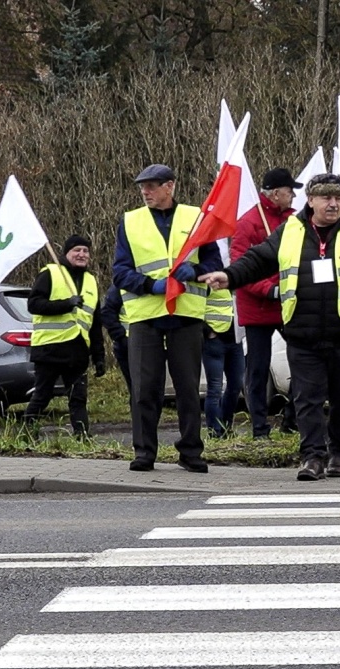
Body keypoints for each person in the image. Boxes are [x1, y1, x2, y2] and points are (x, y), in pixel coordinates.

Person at [200, 173, 340, 481]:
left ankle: (339, 452)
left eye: (338, 198)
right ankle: (312, 457)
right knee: (307, 399)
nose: (333, 204)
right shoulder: (290, 230)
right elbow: (258, 259)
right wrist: (230, 276)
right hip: (302, 333)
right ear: (311, 200)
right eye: (326, 198)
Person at [111, 163, 222, 473]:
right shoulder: (130, 222)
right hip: (146, 315)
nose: (145, 191)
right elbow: (120, 272)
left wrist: (196, 272)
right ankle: (144, 451)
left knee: (188, 389)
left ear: (170, 186)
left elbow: (214, 262)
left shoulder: (196, 218)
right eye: (142, 187)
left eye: (152, 185)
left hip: (185, 313)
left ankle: (191, 451)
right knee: (145, 389)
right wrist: (150, 286)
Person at [231, 167, 302, 438]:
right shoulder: (247, 222)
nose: (294, 195)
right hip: (258, 308)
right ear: (275, 193)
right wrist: (269, 289)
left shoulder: (295, 220)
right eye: (289, 190)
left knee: (304, 362)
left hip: (288, 304)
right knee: (258, 370)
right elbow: (240, 267)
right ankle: (260, 428)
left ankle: (292, 419)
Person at [23, 234, 106, 437]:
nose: (82, 254)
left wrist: (99, 356)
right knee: (42, 396)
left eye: (85, 251)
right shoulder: (50, 273)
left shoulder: (91, 281)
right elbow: (33, 305)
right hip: (50, 349)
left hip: (77, 350)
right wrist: (65, 304)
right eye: (77, 250)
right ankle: (25, 434)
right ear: (66, 253)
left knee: (78, 398)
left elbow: (95, 323)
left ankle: (82, 437)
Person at [202, 287, 245, 437]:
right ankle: (215, 432)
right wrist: (207, 331)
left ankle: (226, 427)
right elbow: (193, 306)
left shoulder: (232, 274)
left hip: (235, 338)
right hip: (215, 340)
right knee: (215, 388)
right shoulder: (206, 275)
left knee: (236, 385)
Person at [99, 283, 132, 392]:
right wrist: (120, 336)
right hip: (127, 344)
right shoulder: (120, 286)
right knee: (137, 388)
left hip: (154, 343)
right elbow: (106, 312)